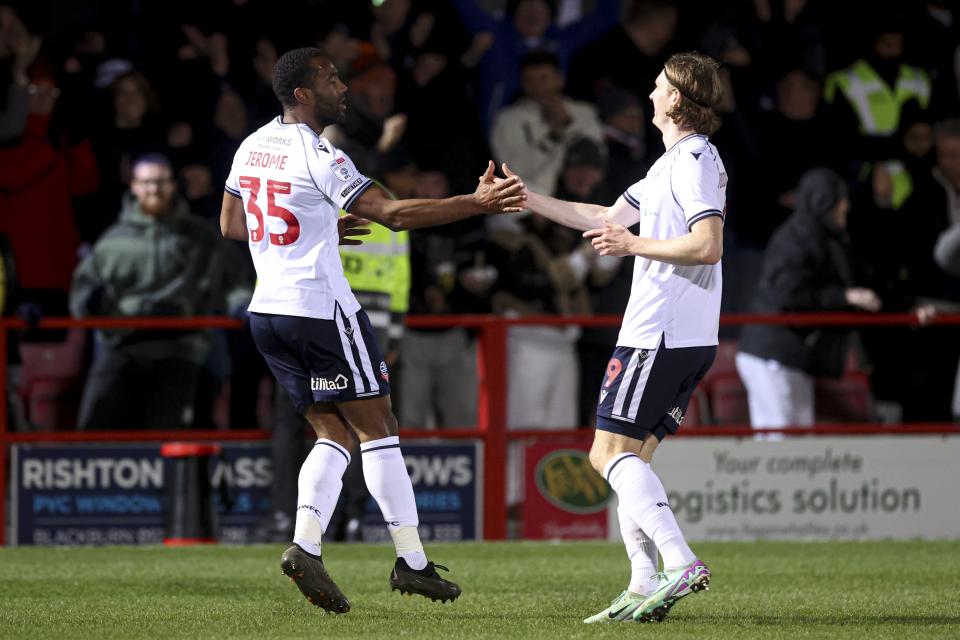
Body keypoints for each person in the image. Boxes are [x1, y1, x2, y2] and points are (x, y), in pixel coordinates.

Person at [220, 46, 524, 614]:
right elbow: (394, 215)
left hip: (269, 315)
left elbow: (232, 223)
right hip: (321, 311)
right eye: (331, 79)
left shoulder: (252, 144)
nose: (342, 87)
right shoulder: (320, 153)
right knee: (380, 430)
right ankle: (412, 562)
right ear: (302, 93)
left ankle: (306, 546)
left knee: (333, 435)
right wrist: (476, 203)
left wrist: (315, 230)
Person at [494, 51, 725, 623]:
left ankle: (679, 561)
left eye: (658, 86)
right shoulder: (672, 163)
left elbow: (707, 245)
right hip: (680, 332)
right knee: (630, 459)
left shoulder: (693, 159)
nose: (650, 93)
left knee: (607, 454)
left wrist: (632, 245)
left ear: (676, 98)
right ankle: (643, 583)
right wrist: (526, 197)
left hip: (660, 332)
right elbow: (605, 215)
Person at [70, 153, 249, 429]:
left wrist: (241, 305)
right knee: (94, 431)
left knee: (172, 434)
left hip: (181, 348)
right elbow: (82, 293)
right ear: (134, 186)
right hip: (122, 346)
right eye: (146, 182)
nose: (154, 189)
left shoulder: (200, 237)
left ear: (173, 185)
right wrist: (90, 304)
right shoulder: (112, 242)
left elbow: (234, 282)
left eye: (161, 182)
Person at [735, 168, 882, 431]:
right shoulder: (795, 238)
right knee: (778, 440)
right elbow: (788, 294)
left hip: (794, 356)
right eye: (841, 199)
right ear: (824, 201)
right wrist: (844, 296)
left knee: (800, 440)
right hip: (771, 354)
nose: (846, 206)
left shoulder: (825, 238)